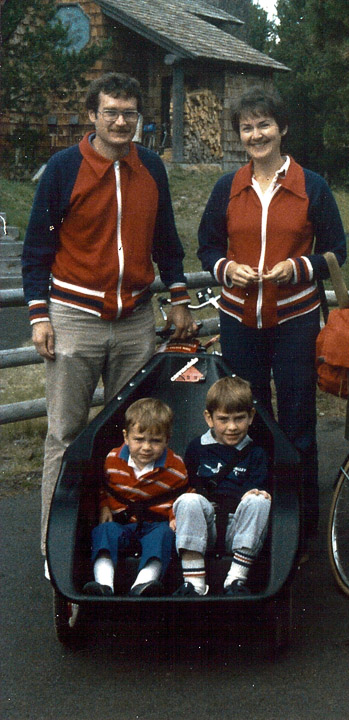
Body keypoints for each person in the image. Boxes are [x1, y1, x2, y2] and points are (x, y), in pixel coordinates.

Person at [21, 73, 197, 563]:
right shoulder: (63, 168)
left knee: (134, 431)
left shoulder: (152, 169)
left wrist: (179, 300)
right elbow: (37, 248)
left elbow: (167, 243)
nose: (121, 122)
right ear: (93, 116)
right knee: (66, 433)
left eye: (129, 114)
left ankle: (127, 537)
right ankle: (55, 546)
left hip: (136, 319)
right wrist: (40, 316)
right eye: (111, 112)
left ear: (138, 119)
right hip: (74, 317)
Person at [197, 87, 346, 538]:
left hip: (296, 320)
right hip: (240, 320)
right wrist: (227, 268)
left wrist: (296, 267)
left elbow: (337, 251)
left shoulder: (311, 186)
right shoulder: (228, 186)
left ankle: (300, 525)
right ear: (239, 135)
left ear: (282, 129)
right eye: (247, 127)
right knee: (248, 416)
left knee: (298, 419)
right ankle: (253, 520)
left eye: (264, 124)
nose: (256, 134)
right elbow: (207, 247)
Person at [172, 376, 270, 596]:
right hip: (204, 526)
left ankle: (236, 579)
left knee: (259, 500)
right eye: (223, 419)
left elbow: (253, 492)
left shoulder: (256, 453)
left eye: (239, 419)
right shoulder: (197, 448)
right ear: (209, 418)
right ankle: (194, 583)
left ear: (251, 416)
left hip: (238, 528)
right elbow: (188, 486)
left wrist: (255, 495)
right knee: (188, 500)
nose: (232, 427)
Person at [83, 398, 189, 597]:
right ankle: (104, 584)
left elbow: (183, 496)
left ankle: (144, 583)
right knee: (103, 532)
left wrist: (175, 516)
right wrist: (105, 506)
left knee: (164, 535)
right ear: (126, 437)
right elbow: (104, 488)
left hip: (155, 524)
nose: (146, 447)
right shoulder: (113, 460)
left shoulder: (175, 467)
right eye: (139, 439)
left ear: (167, 439)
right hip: (122, 524)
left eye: (155, 441)